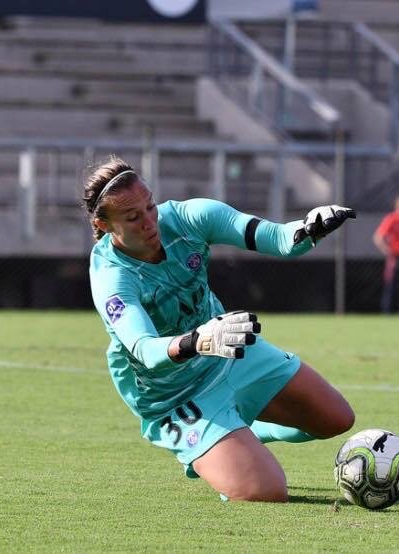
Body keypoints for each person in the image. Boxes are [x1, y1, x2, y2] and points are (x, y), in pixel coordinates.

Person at [83, 156, 357, 502]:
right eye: (133, 217)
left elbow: (274, 236)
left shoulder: (188, 218)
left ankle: (242, 429)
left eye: (150, 206)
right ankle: (215, 446)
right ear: (103, 225)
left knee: (336, 419)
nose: (150, 222)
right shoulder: (111, 278)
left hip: (228, 351)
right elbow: (144, 349)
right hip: (173, 395)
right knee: (267, 492)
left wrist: (308, 229)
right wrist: (196, 341)